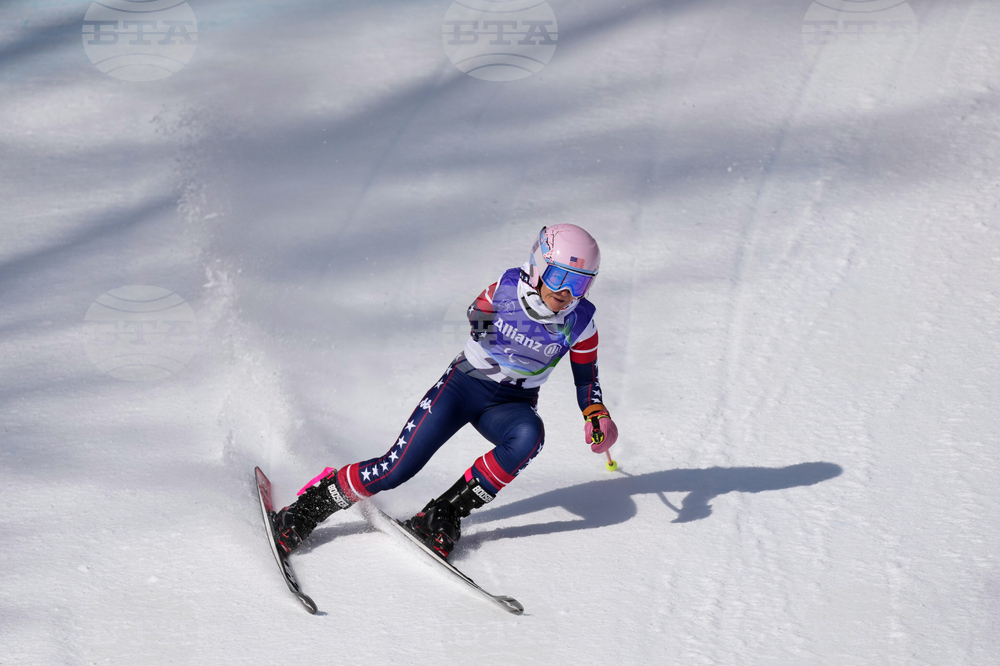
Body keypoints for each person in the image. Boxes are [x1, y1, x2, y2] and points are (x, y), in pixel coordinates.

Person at [272, 224, 619, 559]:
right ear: (539, 267)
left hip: (511, 404)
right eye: (559, 277)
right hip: (463, 386)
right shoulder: (507, 288)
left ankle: (443, 514)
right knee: (396, 470)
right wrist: (483, 328)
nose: (566, 292)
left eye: (579, 283)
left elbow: (586, 378)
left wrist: (595, 413)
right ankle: (308, 507)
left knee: (531, 436)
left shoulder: (582, 321)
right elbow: (477, 308)